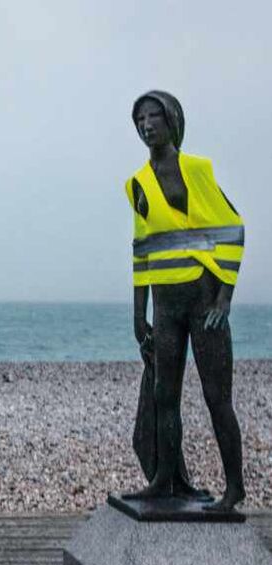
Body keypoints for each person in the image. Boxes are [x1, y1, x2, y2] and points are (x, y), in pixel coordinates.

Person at [123, 91, 245, 512]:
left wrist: (225, 298)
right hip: (165, 306)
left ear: (172, 119)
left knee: (217, 398)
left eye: (153, 116)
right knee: (164, 396)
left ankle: (234, 488)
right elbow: (142, 249)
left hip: (204, 302)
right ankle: (164, 480)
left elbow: (233, 229)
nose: (146, 125)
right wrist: (138, 316)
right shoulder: (137, 184)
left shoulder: (197, 170)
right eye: (140, 119)